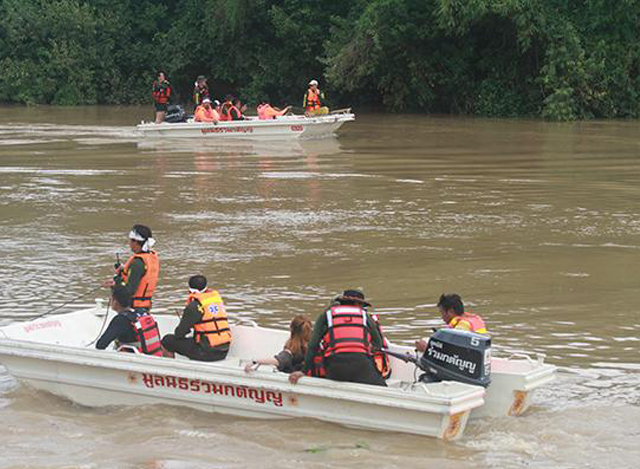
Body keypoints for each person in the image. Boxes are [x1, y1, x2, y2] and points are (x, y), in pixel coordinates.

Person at [289, 290, 386, 386]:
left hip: (335, 369)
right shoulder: (365, 316)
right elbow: (378, 344)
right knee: (383, 388)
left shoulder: (326, 315)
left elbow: (313, 345)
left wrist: (304, 371)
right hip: (361, 366)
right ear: (357, 303)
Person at [161, 275, 231, 362]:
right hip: (224, 351)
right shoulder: (215, 300)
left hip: (206, 353)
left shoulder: (194, 306)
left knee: (167, 340)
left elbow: (179, 334)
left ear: (190, 290)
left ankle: (170, 368)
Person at [104, 225, 159, 315]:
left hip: (133, 309)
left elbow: (128, 291)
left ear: (136, 242)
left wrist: (115, 283)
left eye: (130, 241)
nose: (129, 243)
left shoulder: (137, 263)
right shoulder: (150, 256)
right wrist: (124, 269)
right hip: (144, 308)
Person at [96, 285, 162, 356]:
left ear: (115, 302)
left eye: (111, 299)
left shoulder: (120, 320)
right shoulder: (141, 312)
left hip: (135, 360)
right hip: (153, 355)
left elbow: (100, 345)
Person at [415, 293, 488, 353]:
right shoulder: (470, 321)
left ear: (450, 311)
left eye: (442, 313)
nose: (442, 317)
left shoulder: (462, 326)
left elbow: (452, 353)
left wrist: (426, 349)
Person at [244, 315, 312, 374]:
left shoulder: (291, 351)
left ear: (291, 329)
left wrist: (255, 361)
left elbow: (278, 360)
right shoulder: (313, 347)